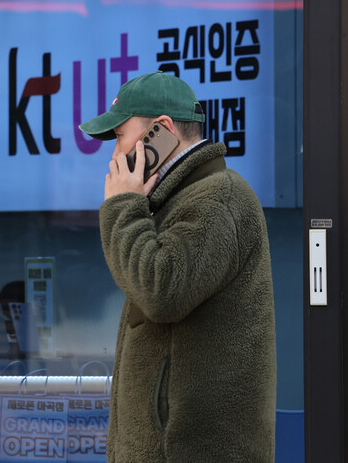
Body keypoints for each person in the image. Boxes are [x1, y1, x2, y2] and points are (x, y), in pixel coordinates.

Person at [79, 71, 276, 461]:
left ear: (162, 130)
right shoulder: (178, 198)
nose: (114, 155)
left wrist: (121, 206)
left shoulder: (218, 198)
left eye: (119, 136)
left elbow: (159, 291)